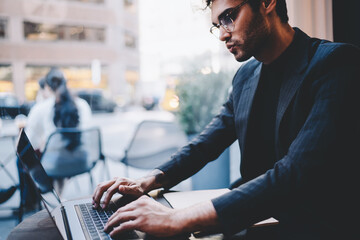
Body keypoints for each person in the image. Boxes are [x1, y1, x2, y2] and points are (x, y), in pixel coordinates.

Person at [92, 0, 360, 239]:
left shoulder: (336, 64)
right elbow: (207, 143)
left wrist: (177, 219)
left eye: (229, 17)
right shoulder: (245, 76)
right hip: (253, 222)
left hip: (313, 228)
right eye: (217, 25)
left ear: (267, 3)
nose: (222, 34)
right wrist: (148, 181)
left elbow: (294, 174)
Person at [18, 67, 92, 201]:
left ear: (46, 87)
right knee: (59, 154)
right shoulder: (83, 105)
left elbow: (30, 144)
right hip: (83, 162)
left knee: (22, 158)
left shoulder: (41, 108)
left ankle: (31, 201)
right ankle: (58, 195)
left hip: (55, 166)